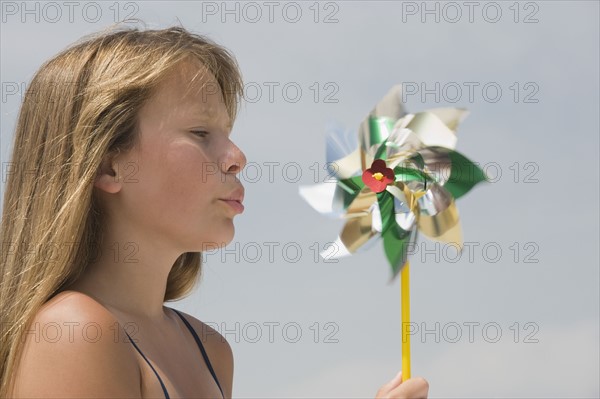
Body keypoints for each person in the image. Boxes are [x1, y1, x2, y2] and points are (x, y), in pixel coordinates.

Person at [0, 25, 429, 398]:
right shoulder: (76, 333)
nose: (237, 156)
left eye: (228, 133)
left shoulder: (209, 349)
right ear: (110, 163)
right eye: (200, 132)